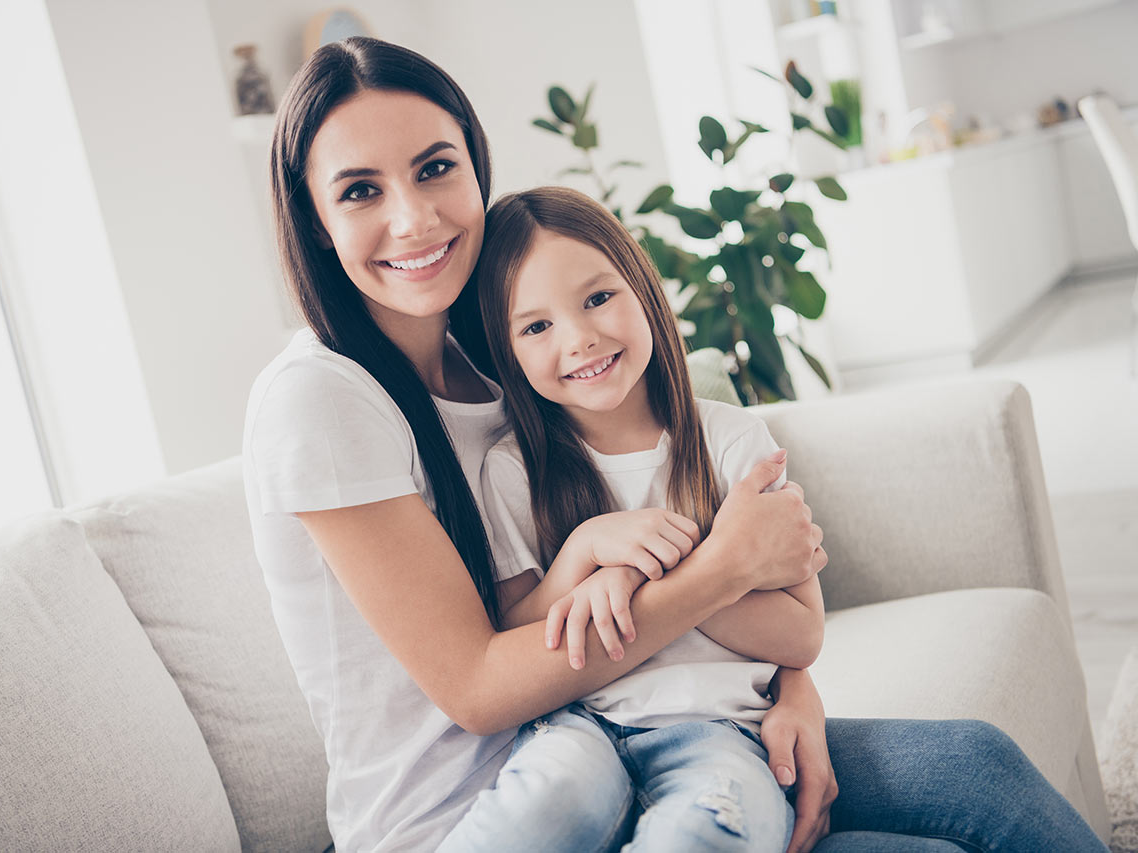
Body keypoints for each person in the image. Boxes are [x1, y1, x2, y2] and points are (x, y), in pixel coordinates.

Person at [243, 36, 1107, 852]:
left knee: (976, 771)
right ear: (315, 220)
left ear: (476, 166)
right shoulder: (322, 400)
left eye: (437, 168)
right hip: (488, 804)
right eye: (360, 190)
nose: (413, 217)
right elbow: (478, 683)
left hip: (631, 735)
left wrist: (792, 687)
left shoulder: (502, 360)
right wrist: (718, 567)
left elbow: (733, 593)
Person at [439, 185, 825, 851]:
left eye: (597, 298)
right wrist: (586, 553)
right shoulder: (510, 471)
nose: (581, 338)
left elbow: (801, 636)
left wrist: (653, 576)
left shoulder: (734, 444)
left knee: (713, 829)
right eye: (537, 326)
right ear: (507, 351)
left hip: (721, 730)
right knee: (533, 815)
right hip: (576, 727)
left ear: (642, 287)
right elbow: (513, 636)